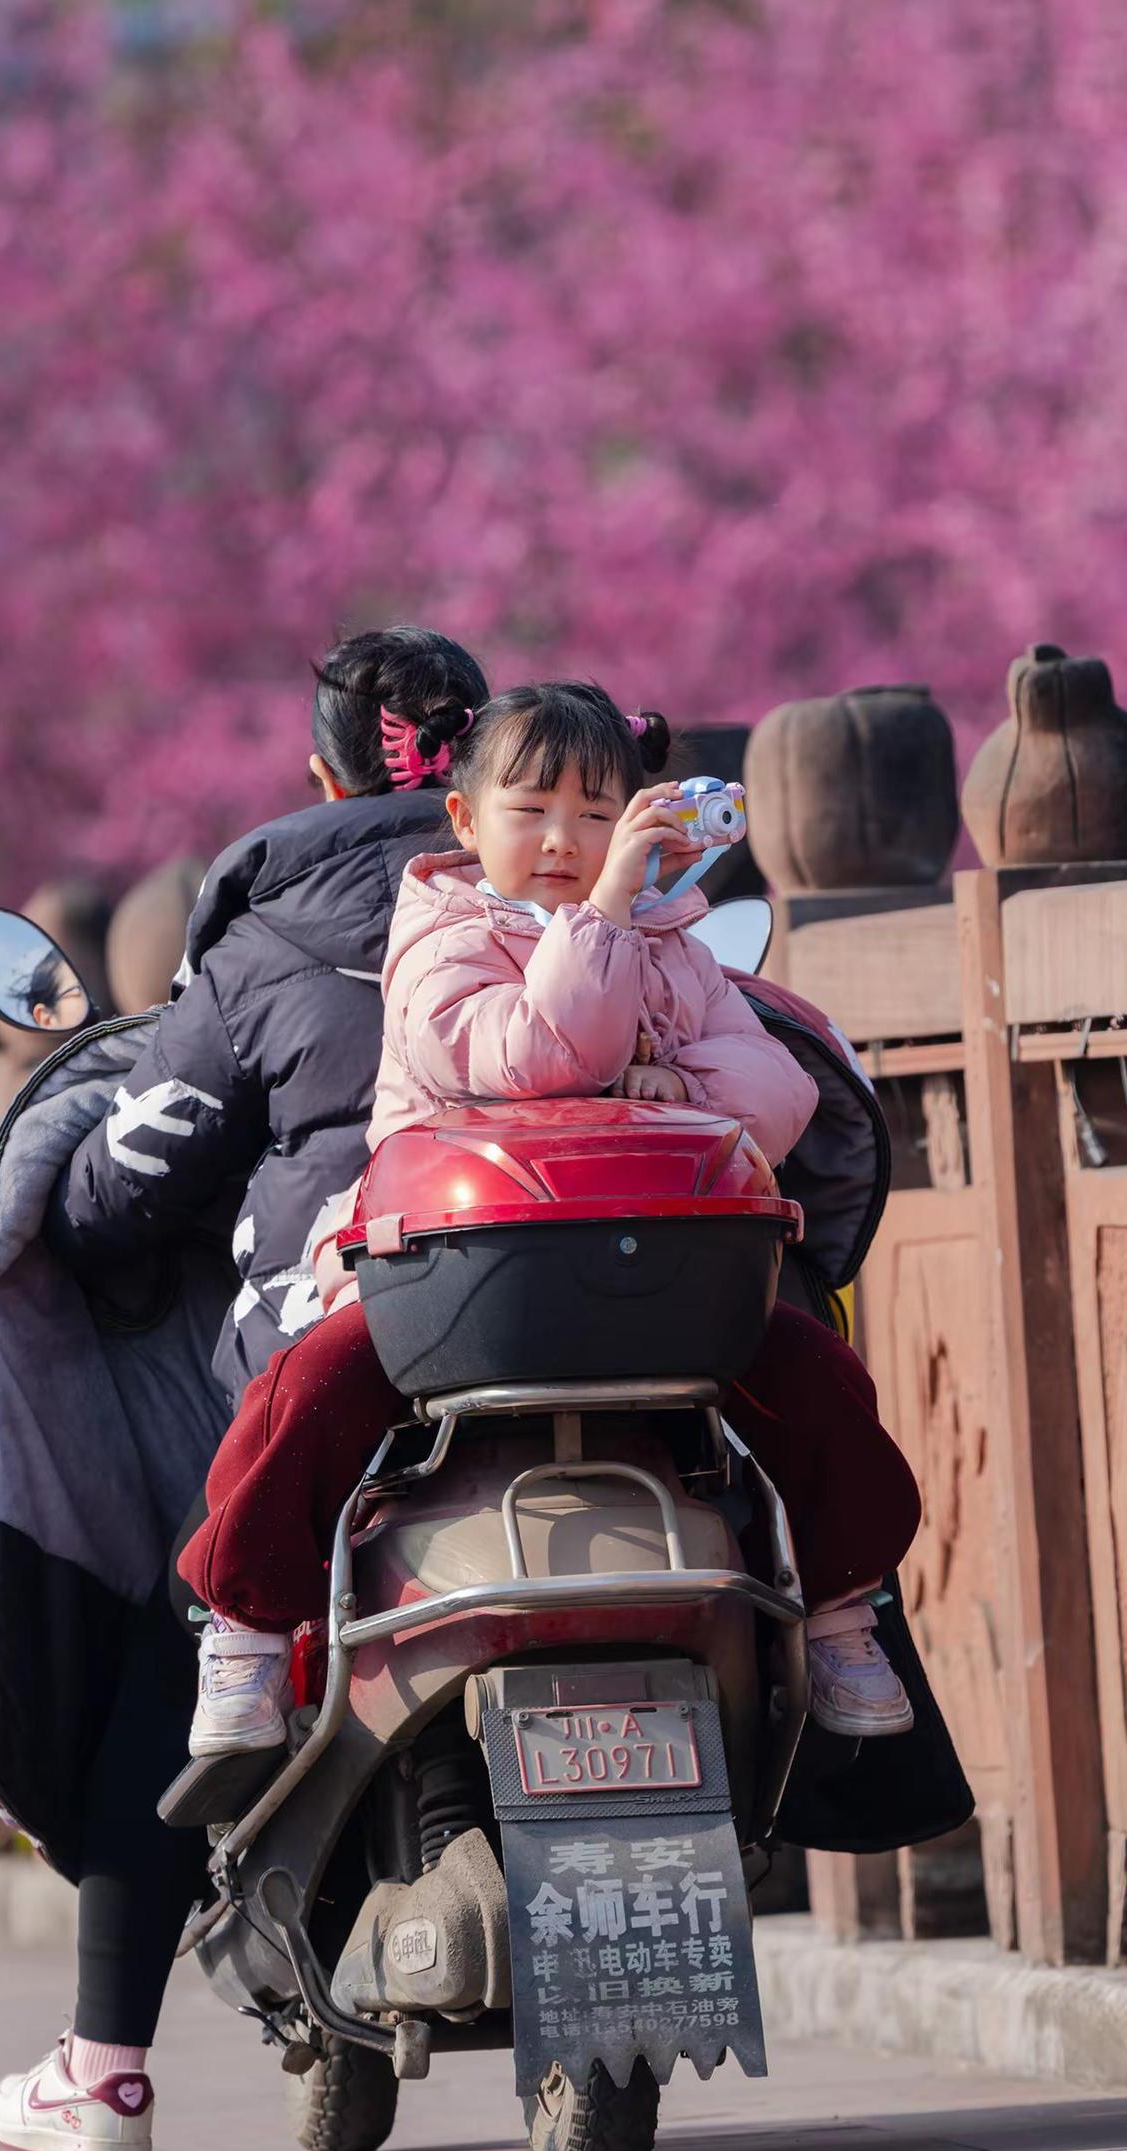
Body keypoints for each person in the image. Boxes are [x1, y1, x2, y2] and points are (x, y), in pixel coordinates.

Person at [178, 681, 922, 1766]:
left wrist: (679, 1085)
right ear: (465, 819)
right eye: (530, 811)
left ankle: (840, 1610)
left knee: (814, 1376)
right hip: (453, 1274)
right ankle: (246, 1629)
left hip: (655, 1267)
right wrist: (609, 922)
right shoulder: (440, 936)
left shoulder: (672, 941)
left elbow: (775, 1085)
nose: (564, 841)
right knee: (308, 1388)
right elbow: (536, 1056)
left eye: (594, 814)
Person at [0, 625, 490, 2151]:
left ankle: (105, 2071)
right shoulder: (575, 895)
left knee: (187, 1627)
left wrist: (66, 1187)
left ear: (324, 774)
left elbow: (128, 1184)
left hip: (346, 1352)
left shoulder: (270, 939)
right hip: (598, 1325)